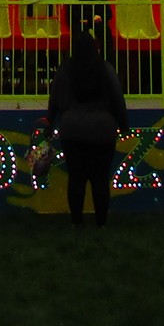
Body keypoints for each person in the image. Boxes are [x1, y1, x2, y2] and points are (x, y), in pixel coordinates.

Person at [48, 23, 127, 226]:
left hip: (72, 130)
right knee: (100, 179)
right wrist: (123, 124)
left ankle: (76, 222)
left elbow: (54, 99)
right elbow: (118, 98)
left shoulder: (66, 70)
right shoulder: (105, 69)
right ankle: (101, 223)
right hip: (103, 130)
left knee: (76, 178)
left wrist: (50, 123)